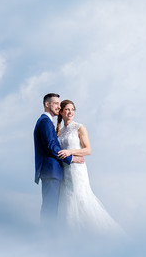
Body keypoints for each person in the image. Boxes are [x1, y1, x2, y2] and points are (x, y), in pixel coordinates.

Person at [56, 99, 123, 235]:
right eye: (67, 109)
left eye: (73, 109)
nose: (70, 112)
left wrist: (70, 152)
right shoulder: (59, 131)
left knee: (80, 197)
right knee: (66, 200)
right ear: (61, 112)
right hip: (65, 170)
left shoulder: (80, 127)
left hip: (77, 170)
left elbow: (88, 150)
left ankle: (93, 233)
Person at [33, 93, 84, 223]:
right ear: (47, 104)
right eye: (55, 103)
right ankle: (46, 237)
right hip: (51, 171)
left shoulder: (48, 121)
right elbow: (50, 145)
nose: (58, 106)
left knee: (52, 209)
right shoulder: (44, 121)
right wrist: (71, 158)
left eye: (59, 103)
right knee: (50, 209)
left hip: (53, 172)